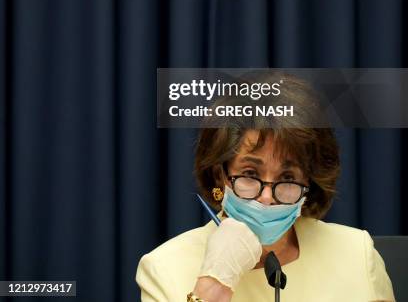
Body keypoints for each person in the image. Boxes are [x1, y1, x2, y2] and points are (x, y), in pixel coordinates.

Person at [136, 74, 395, 301]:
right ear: (219, 176)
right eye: (250, 174)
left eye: (288, 177)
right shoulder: (165, 268)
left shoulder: (355, 252)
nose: (267, 197)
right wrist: (213, 285)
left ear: (309, 184)